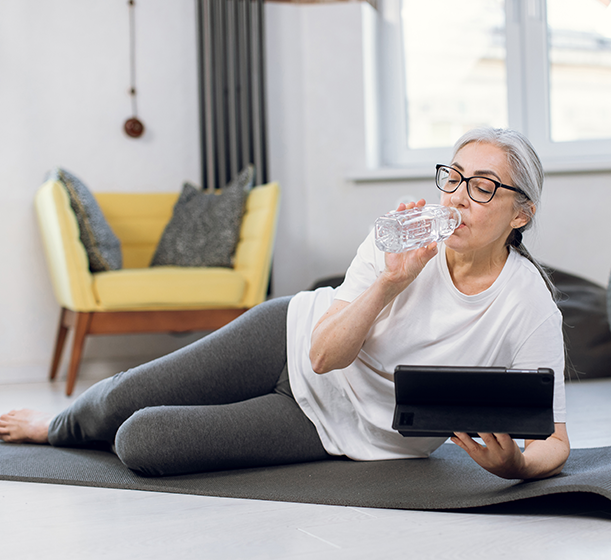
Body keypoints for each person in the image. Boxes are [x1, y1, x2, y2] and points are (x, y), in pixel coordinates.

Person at [0, 127, 569, 480]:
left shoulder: (528, 304)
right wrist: (389, 283)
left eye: (483, 187)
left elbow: (555, 442)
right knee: (119, 397)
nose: (458, 198)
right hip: (289, 336)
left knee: (140, 439)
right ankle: (58, 424)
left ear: (521, 214)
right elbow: (323, 355)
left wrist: (517, 464)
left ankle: (92, 423)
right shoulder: (400, 240)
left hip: (331, 428)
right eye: (454, 178)